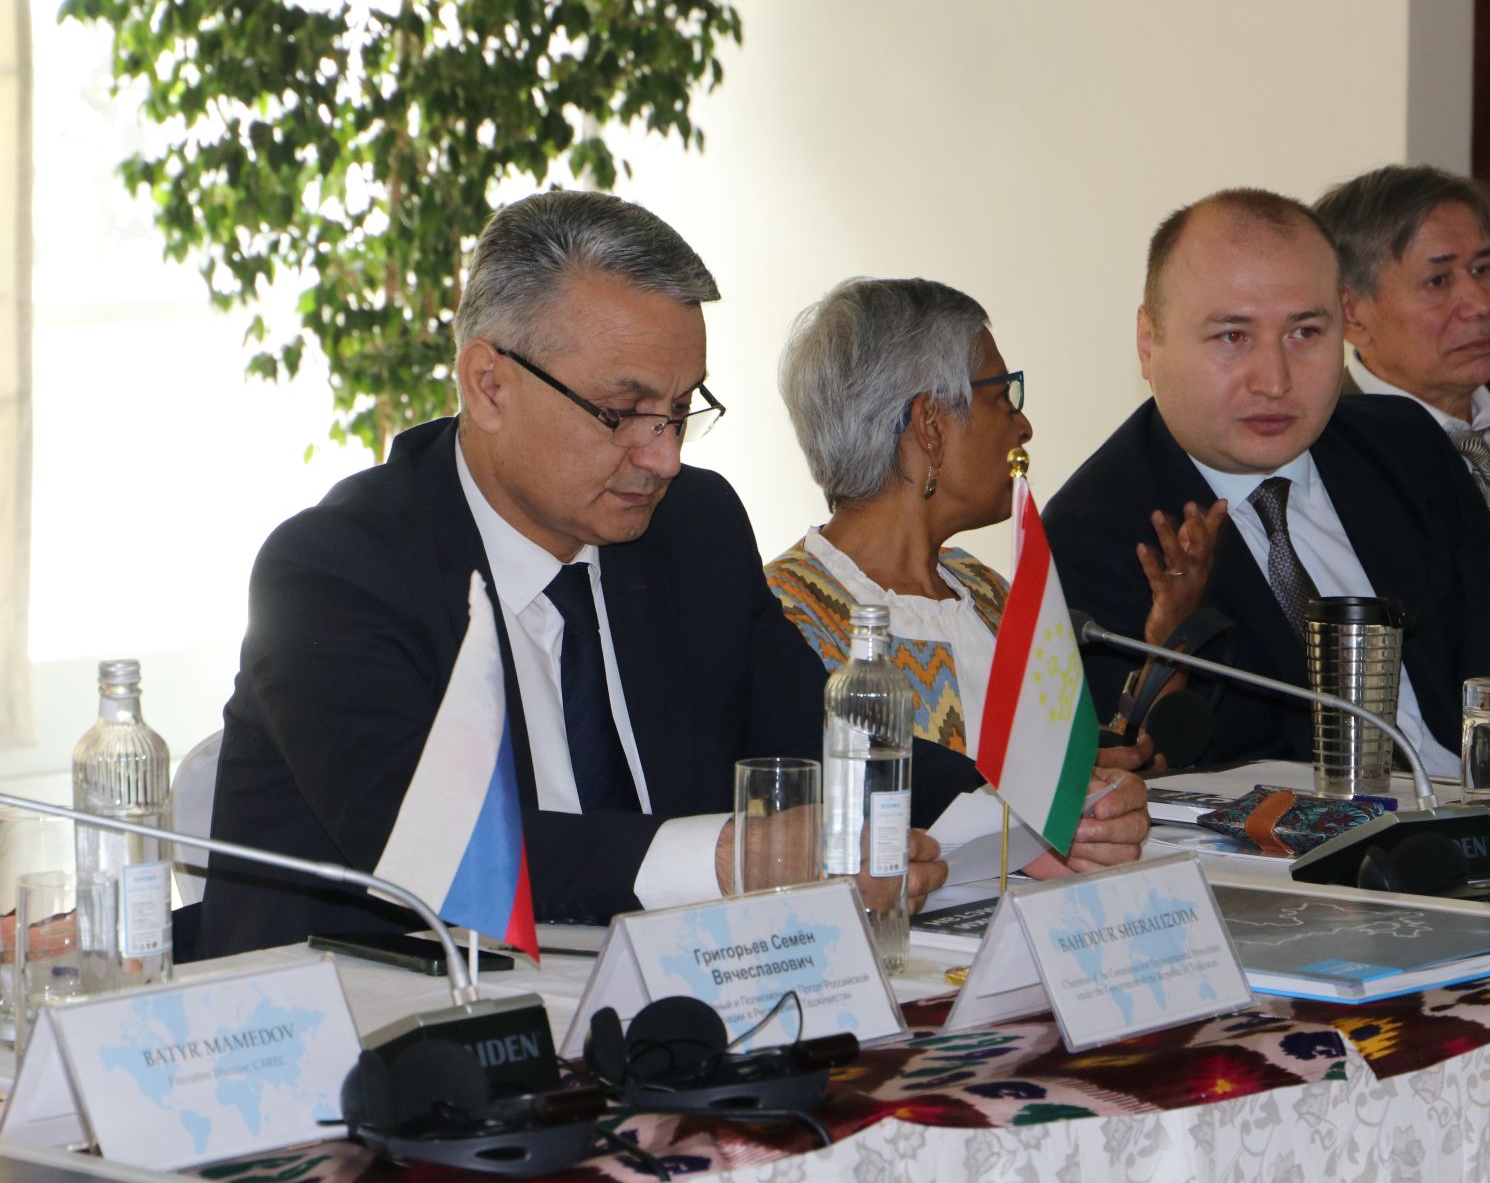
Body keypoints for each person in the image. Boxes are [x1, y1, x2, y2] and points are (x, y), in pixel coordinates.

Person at [202, 192, 982, 958]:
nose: (663, 455)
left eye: (681, 407)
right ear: (489, 385)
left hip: (671, 1004)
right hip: (389, 1014)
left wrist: (1020, 818)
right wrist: (730, 856)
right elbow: (437, 847)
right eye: (623, 410)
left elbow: (828, 745)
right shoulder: (336, 570)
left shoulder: (693, 530)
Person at [1043, 188, 1490, 774]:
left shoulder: (1407, 448)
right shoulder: (1091, 535)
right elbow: (1152, 770)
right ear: (1148, 341)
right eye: (1233, 337)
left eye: (1304, 332)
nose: (1275, 381)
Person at [764, 277, 1186, 868]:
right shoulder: (785, 614)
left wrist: (1102, 799)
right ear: (931, 425)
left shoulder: (986, 589)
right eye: (1002, 395)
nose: (1023, 424)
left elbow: (1055, 785)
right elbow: (829, 821)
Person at [1314, 165, 1490, 638]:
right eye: (1438, 281)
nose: (1481, 304)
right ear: (1351, 314)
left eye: (1481, 269)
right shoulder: (1330, 458)